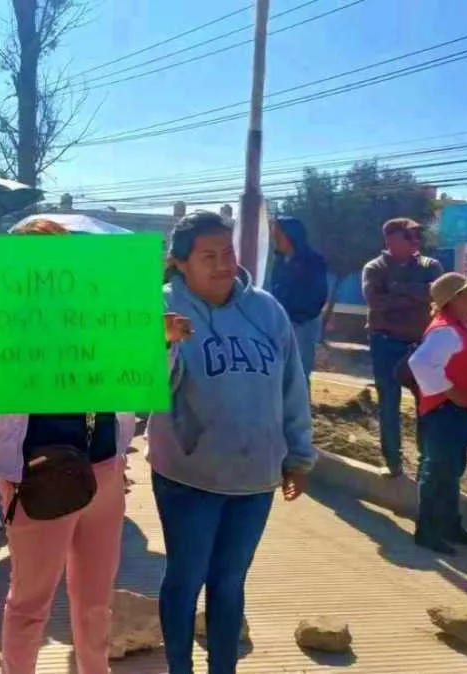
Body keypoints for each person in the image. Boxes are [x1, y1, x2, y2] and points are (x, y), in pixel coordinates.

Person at [148, 210, 316, 674]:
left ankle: (225, 668)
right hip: (188, 477)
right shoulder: (159, 309)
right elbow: (150, 391)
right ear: (180, 262)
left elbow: (292, 384)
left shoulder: (266, 309)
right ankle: (178, 667)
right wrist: (161, 344)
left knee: (230, 581)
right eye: (208, 256)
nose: (222, 264)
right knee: (185, 578)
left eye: (228, 252)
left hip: (254, 478)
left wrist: (299, 455)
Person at [0, 217, 136, 674]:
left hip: (104, 470)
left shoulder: (98, 319)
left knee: (95, 603)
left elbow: (136, 391)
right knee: (30, 604)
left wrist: (159, 346)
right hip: (37, 477)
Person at [407, 272, 467, 555]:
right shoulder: (446, 331)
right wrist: (452, 392)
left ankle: (449, 526)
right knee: (439, 471)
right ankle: (428, 531)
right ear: (454, 300)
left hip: (457, 413)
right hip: (447, 413)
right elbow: (419, 363)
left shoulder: (462, 326)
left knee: (450, 471)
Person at [361, 218, 443, 477]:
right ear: (391, 239)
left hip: (421, 345)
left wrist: (398, 289)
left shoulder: (430, 266)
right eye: (409, 236)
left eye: (417, 235)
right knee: (389, 404)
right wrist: (416, 295)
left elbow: (437, 294)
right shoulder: (375, 268)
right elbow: (377, 303)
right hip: (385, 343)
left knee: (426, 404)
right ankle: (393, 463)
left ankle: (425, 465)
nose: (416, 240)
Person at [267, 215, 328, 388]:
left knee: (299, 374)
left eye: (277, 234)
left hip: (303, 325)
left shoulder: (313, 261)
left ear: (290, 235)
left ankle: (300, 413)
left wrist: (296, 319)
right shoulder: (279, 261)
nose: (274, 238)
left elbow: (318, 296)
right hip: (280, 323)